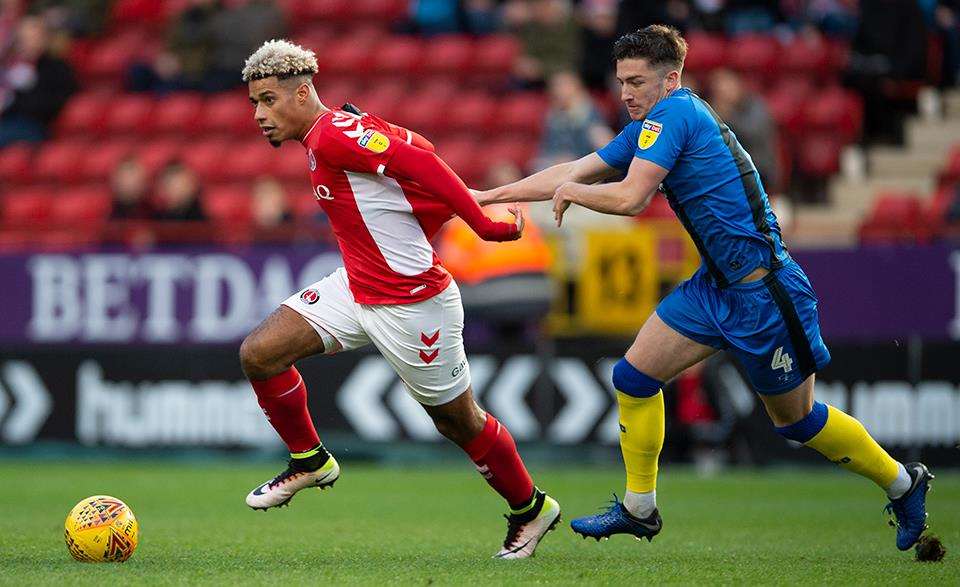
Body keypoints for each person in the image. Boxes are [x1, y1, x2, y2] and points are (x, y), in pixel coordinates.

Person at [475, 25, 933, 552]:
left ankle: (904, 482)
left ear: (670, 80)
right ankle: (638, 509)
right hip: (714, 288)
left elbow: (629, 199)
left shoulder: (677, 114)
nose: (625, 93)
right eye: (621, 81)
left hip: (764, 292)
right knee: (633, 377)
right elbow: (576, 166)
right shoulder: (653, 121)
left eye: (637, 81)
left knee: (797, 420)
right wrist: (487, 195)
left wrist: (574, 193)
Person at [238, 40, 560, 559]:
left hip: (414, 304)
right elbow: (420, 151)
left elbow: (417, 160)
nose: (260, 114)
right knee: (260, 352)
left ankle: (531, 509)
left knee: (459, 421)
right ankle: (310, 460)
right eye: (255, 103)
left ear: (302, 94)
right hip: (357, 286)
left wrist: (480, 224)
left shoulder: (335, 135)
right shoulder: (343, 127)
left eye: (269, 100)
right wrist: (431, 210)